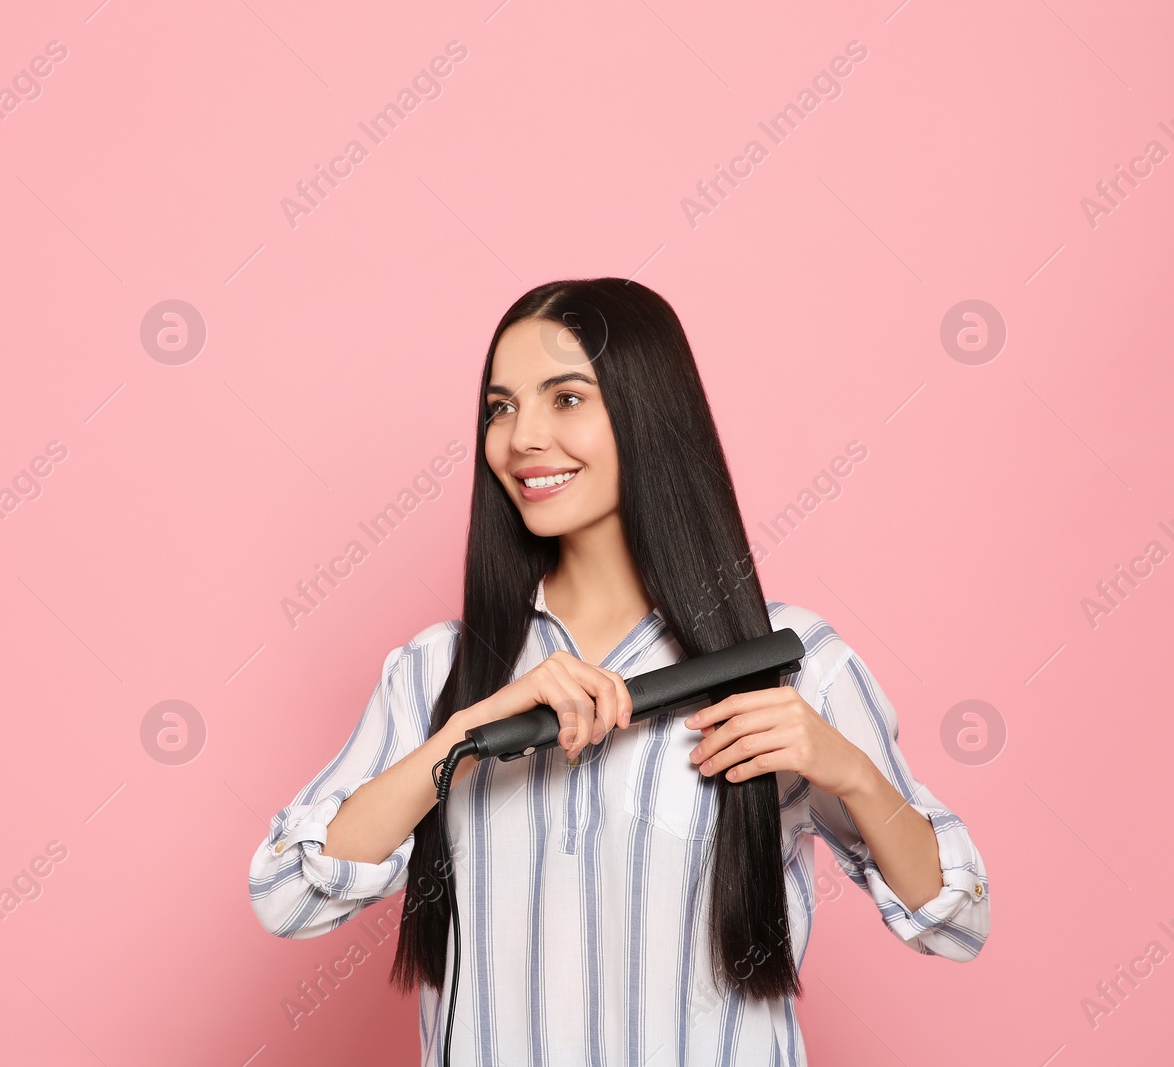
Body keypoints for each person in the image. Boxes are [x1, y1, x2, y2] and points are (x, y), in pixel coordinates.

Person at [248, 278, 990, 1064]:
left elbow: (955, 920)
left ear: (650, 414)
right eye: (501, 407)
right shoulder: (438, 672)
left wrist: (851, 771)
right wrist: (461, 734)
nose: (522, 436)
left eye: (565, 398)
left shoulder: (792, 663)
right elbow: (287, 895)